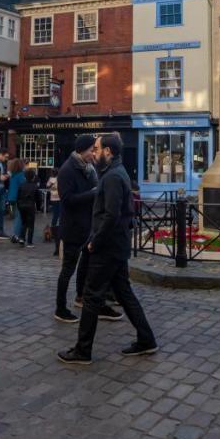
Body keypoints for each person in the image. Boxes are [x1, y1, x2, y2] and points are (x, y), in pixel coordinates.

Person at [58, 133, 157, 364]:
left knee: (92, 296)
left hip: (108, 245)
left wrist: (95, 240)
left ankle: (82, 350)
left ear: (108, 152)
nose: (94, 152)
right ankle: (146, 339)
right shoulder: (115, 172)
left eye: (97, 148)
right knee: (124, 293)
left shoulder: (112, 176)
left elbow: (111, 214)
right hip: (117, 244)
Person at [54, 135, 120, 323]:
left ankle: (81, 297)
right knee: (68, 269)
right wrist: (92, 194)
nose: (94, 153)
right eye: (92, 149)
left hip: (87, 227)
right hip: (73, 228)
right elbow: (67, 200)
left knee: (86, 266)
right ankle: (60, 308)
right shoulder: (68, 170)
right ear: (82, 150)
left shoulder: (89, 169)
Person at [17, 167, 39, 248]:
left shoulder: (21, 185)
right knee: (31, 224)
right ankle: (29, 242)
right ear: (33, 177)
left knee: (24, 223)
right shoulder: (35, 186)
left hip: (22, 205)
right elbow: (38, 198)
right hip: (30, 206)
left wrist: (18, 205)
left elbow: (18, 196)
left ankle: (22, 238)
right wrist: (39, 207)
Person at [6, 158, 26, 243]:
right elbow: (23, 185)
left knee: (16, 216)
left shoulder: (13, 175)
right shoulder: (21, 175)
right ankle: (16, 235)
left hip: (11, 197)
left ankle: (16, 233)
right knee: (19, 217)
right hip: (18, 197)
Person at [46, 171, 62, 255]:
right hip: (59, 198)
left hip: (53, 198)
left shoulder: (50, 179)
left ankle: (52, 229)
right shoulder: (59, 179)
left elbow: (48, 186)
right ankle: (55, 230)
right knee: (59, 215)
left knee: (55, 215)